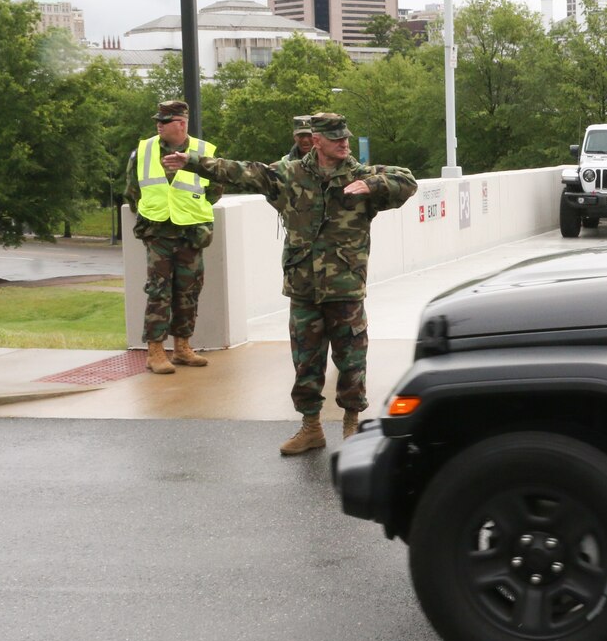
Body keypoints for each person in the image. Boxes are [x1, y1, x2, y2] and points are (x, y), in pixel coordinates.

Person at [162, 112, 417, 454]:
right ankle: (311, 428)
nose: (344, 142)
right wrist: (192, 161)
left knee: (352, 361)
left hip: (345, 288)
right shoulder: (289, 175)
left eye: (346, 137)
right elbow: (240, 170)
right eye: (336, 138)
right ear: (317, 140)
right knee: (305, 362)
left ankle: (352, 425)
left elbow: (407, 181)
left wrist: (372, 185)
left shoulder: (359, 175)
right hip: (303, 287)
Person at [125, 100, 221, 374]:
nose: (158, 124)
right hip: (159, 233)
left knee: (188, 291)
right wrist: (151, 214)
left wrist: (190, 209)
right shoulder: (143, 151)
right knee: (158, 291)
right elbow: (132, 191)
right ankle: (155, 352)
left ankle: (182, 347)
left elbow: (215, 189)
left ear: (181, 123)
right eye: (158, 120)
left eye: (164, 121)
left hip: (191, 232)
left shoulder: (203, 152)